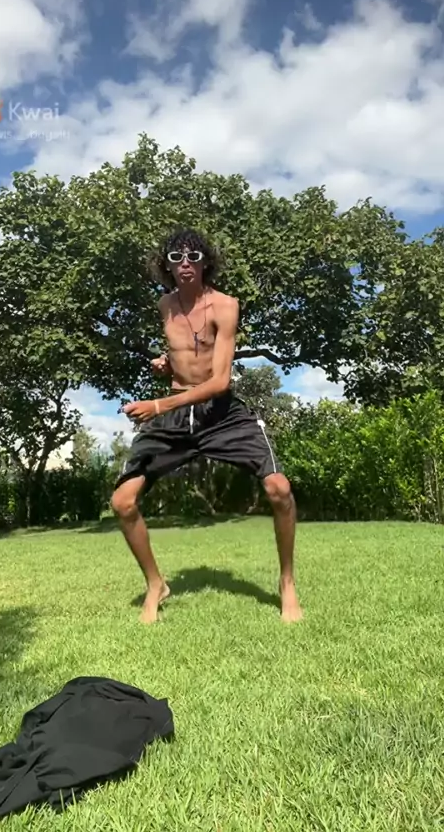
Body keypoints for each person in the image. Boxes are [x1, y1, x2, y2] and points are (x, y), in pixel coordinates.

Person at [111, 228, 303, 625]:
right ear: (166, 265)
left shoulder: (226, 305)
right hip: (176, 416)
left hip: (220, 413)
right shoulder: (165, 305)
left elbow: (218, 381)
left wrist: (158, 404)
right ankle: (156, 585)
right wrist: (167, 367)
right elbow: (185, 356)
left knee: (279, 489)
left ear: (205, 263)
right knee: (123, 502)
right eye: (177, 257)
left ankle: (287, 582)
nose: (185, 264)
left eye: (194, 257)